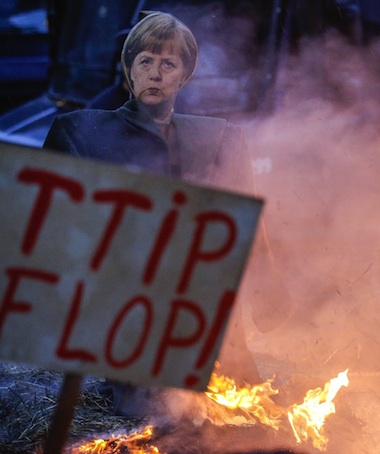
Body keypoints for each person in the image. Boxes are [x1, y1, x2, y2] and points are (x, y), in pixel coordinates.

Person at [44, 11, 292, 415]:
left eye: (167, 64)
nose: (155, 74)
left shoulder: (220, 139)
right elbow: (53, 231)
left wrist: (268, 292)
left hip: (207, 315)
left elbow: (243, 221)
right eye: (145, 62)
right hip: (131, 318)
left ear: (184, 76)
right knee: (159, 417)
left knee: (241, 414)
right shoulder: (84, 135)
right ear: (128, 70)